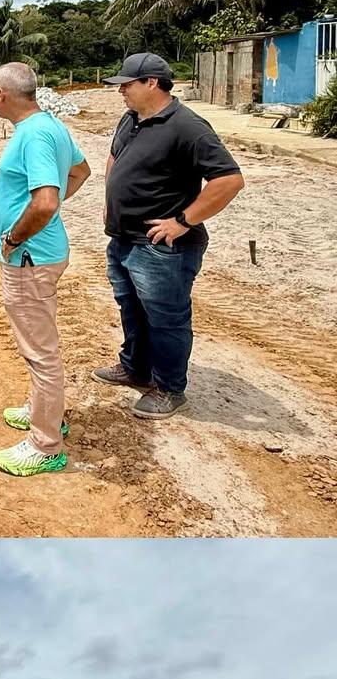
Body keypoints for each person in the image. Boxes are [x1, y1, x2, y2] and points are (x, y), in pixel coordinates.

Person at [93, 53, 244, 419]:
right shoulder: (131, 118)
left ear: (152, 83)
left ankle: (169, 388)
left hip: (162, 247)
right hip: (124, 238)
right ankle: (136, 368)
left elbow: (229, 180)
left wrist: (182, 221)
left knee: (166, 318)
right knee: (132, 308)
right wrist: (110, 199)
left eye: (127, 85)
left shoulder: (187, 127)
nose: (121, 91)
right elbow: (115, 157)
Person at [0, 63, 91, 478]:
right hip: (39, 254)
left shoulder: (33, 135)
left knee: (40, 352)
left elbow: (45, 201)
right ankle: (41, 409)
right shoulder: (49, 126)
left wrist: (15, 237)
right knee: (38, 342)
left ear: (1, 95)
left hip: (29, 258)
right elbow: (80, 171)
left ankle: (45, 444)